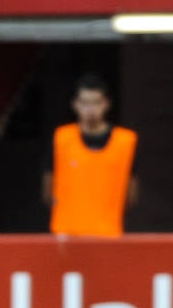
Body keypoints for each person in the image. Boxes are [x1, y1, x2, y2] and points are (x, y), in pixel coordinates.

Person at [46, 73, 139, 238]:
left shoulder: (126, 142)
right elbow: (48, 188)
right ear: (75, 105)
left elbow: (131, 194)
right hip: (66, 235)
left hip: (109, 234)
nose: (90, 109)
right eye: (85, 103)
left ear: (106, 104)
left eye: (96, 102)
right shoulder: (61, 139)